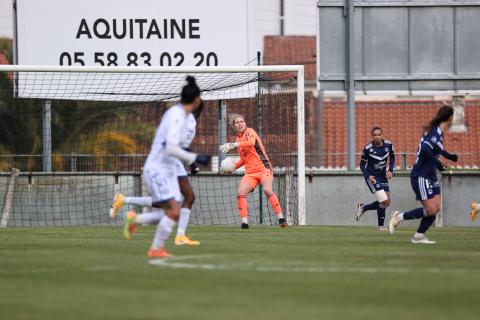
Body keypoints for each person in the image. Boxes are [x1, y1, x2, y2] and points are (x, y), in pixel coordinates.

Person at [122, 76, 210, 258]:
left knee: (173, 211)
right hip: (157, 170)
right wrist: (195, 158)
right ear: (196, 100)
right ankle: (155, 248)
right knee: (174, 210)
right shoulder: (177, 116)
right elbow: (171, 147)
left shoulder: (181, 115)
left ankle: (136, 219)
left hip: (168, 169)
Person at [109, 102, 204, 246]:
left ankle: (125, 201)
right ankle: (175, 236)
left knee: (178, 200)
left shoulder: (187, 119)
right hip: (166, 162)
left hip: (171, 161)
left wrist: (192, 163)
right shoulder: (185, 120)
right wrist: (194, 161)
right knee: (179, 201)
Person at [389, 105, 458, 244]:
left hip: (431, 175)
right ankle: (399, 217)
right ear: (450, 117)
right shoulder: (435, 131)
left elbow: (437, 148)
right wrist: (438, 163)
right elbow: (426, 149)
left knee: (436, 208)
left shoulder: (438, 131)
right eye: (453, 116)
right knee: (431, 209)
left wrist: (450, 156)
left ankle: (419, 236)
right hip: (421, 175)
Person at [219, 113, 287, 229]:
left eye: (242, 121)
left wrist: (233, 144)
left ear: (245, 123)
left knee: (267, 189)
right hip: (250, 173)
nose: (240, 124)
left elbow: (251, 143)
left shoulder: (250, 132)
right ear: (234, 126)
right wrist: (233, 167)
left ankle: (281, 218)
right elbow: (244, 159)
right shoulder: (238, 139)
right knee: (241, 193)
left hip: (264, 168)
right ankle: (245, 223)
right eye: (237, 122)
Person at [355, 127, 395, 230]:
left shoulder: (388, 145)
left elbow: (392, 156)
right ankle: (380, 226)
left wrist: (390, 170)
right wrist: (368, 176)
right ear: (372, 136)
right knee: (383, 201)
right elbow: (362, 165)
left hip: (383, 176)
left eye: (379, 135)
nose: (377, 137)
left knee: (387, 202)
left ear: (382, 135)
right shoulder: (368, 148)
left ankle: (364, 207)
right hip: (372, 177)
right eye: (375, 135)